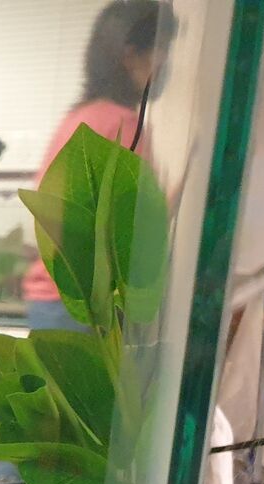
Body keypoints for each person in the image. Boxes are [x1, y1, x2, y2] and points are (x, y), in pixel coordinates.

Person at [24, 1, 177, 332]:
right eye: (160, 49)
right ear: (130, 56)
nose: (166, 62)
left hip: (54, 301)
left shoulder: (82, 116)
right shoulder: (121, 124)